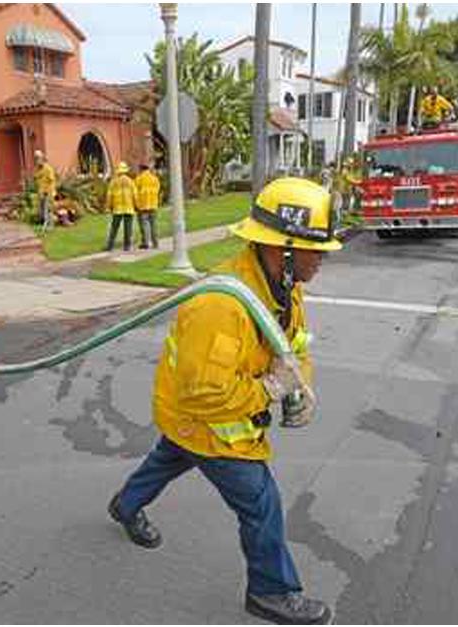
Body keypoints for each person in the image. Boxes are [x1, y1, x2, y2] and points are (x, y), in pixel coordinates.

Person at [108, 177, 341, 625]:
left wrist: (301, 385)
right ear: (284, 249)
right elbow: (206, 395)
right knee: (261, 501)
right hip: (205, 421)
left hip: (185, 421)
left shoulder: (283, 287)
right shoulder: (221, 305)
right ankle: (271, 592)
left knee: (168, 457)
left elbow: (294, 347)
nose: (324, 259)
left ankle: (126, 504)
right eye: (317, 249)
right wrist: (270, 390)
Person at [105, 162, 137, 252]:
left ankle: (110, 246)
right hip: (129, 208)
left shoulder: (114, 182)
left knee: (114, 228)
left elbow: (109, 196)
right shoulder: (130, 181)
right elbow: (135, 194)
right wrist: (136, 205)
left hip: (117, 208)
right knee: (128, 228)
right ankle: (127, 246)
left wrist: (108, 207)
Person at [134, 164, 161, 249]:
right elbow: (158, 190)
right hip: (153, 204)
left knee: (144, 224)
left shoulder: (139, 179)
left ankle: (145, 242)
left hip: (143, 205)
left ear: (141, 169)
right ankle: (155, 243)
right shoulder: (155, 179)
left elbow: (135, 193)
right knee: (154, 224)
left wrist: (136, 205)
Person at [33, 150, 57, 232]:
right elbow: (36, 180)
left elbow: (52, 181)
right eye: (35, 159)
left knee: (48, 209)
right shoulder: (37, 170)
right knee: (42, 210)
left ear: (42, 158)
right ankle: (45, 224)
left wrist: (51, 192)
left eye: (38, 159)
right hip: (41, 193)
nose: (36, 161)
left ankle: (50, 226)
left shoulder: (48, 169)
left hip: (48, 192)